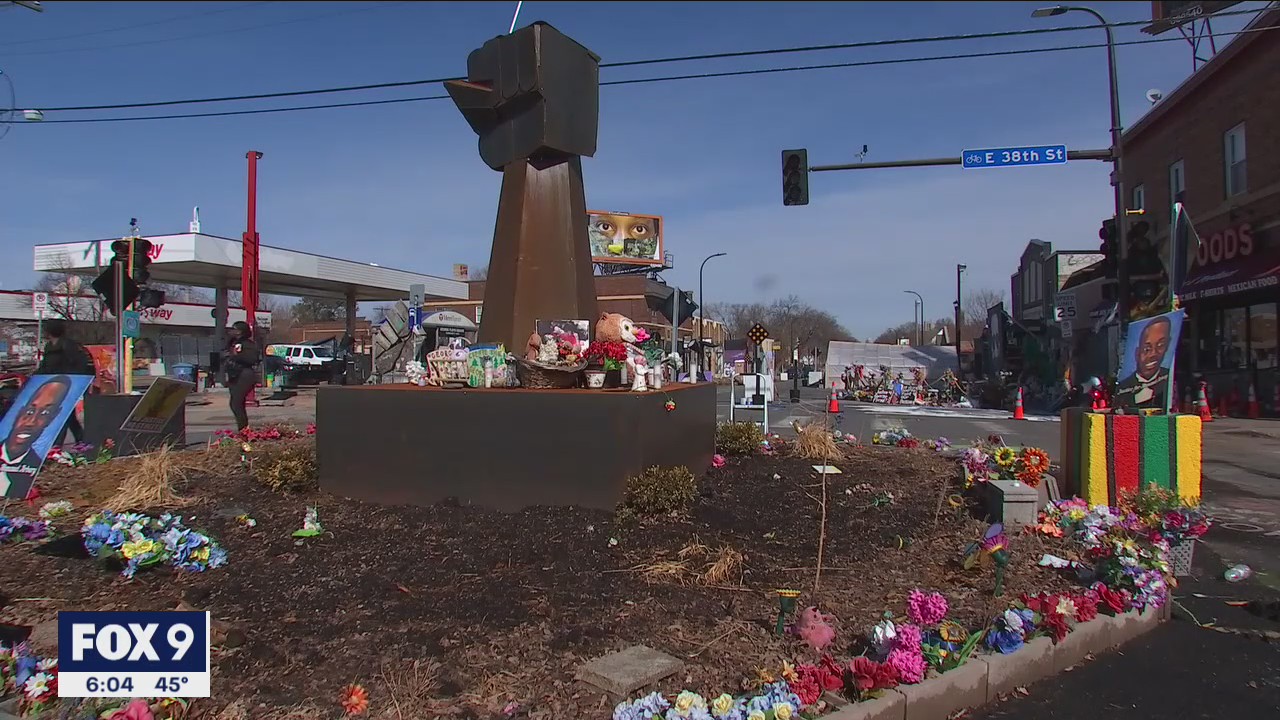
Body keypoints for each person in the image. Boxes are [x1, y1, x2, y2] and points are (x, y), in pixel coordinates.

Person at [1, 376, 71, 499]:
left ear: (52, 418)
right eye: (30, 411)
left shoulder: (35, 464)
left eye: (45, 413)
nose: (31, 422)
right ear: (19, 411)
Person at [34, 319, 95, 444]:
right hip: (53, 385)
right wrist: (35, 377)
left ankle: (58, 444)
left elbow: (78, 364)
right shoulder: (49, 346)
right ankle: (81, 440)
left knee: (63, 414)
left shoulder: (69, 345)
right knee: (68, 416)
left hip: (67, 384)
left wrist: (69, 378)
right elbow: (45, 366)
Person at [1116, 316, 1172, 409]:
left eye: (1160, 345)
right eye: (1147, 349)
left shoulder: (1168, 380)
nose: (1153, 354)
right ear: (1137, 353)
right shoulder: (1123, 388)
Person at [223, 321, 262, 431]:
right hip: (234, 375)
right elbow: (223, 354)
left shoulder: (248, 344)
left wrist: (235, 356)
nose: (233, 332)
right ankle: (243, 429)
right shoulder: (231, 343)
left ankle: (244, 430)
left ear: (242, 331)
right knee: (235, 404)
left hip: (245, 375)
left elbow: (252, 359)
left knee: (236, 402)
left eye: (236, 330)